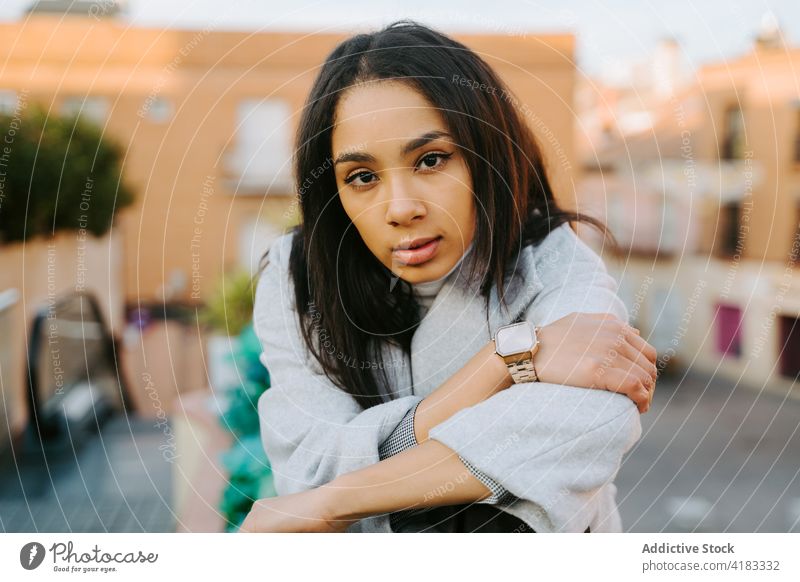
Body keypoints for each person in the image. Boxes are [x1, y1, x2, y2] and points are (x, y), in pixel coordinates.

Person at [240, 19, 657, 533]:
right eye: (363, 177)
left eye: (431, 159)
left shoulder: (552, 259)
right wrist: (507, 360)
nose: (400, 209)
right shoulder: (296, 276)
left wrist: (336, 501)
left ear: (486, 155)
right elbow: (309, 464)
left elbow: (588, 424)